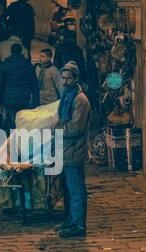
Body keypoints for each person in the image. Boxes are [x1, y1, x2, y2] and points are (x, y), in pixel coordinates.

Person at [53, 61, 91, 238]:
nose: (65, 81)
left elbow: (76, 127)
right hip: (65, 150)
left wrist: (57, 129)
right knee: (67, 189)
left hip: (74, 150)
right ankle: (70, 220)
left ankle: (78, 225)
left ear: (76, 79)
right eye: (64, 78)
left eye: (69, 78)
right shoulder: (66, 97)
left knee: (76, 190)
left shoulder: (79, 100)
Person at [0, 43, 40, 133]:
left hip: (9, 98)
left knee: (11, 122)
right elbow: (34, 84)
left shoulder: (4, 65)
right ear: (21, 51)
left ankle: (13, 141)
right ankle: (21, 142)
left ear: (11, 52)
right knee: (23, 122)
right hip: (24, 98)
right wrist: (36, 102)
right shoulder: (28, 65)